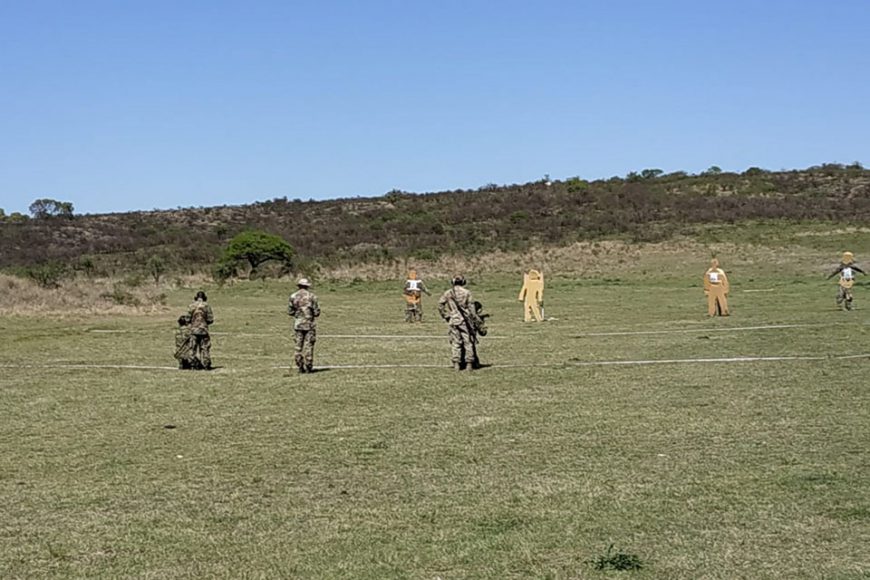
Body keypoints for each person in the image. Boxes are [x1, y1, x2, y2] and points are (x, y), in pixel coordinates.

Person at [438, 275, 484, 371]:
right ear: (463, 282)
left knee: (455, 343)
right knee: (468, 342)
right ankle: (469, 364)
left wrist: (446, 316)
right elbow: (471, 308)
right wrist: (476, 320)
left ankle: (456, 364)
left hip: (453, 320)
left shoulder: (448, 293)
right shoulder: (467, 293)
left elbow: (440, 305)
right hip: (465, 321)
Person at [288, 277, 321, 373]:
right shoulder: (312, 297)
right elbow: (316, 312)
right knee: (309, 345)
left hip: (298, 325)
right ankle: (308, 366)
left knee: (298, 346)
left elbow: (290, 311)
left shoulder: (293, 296)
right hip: (309, 324)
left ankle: (299, 365)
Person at [187, 290, 215, 370]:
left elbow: (188, 318)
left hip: (194, 330)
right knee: (205, 348)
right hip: (204, 330)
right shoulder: (207, 306)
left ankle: (192, 364)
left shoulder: (191, 306)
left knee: (192, 348)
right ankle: (206, 365)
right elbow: (210, 319)